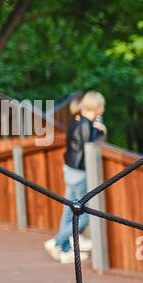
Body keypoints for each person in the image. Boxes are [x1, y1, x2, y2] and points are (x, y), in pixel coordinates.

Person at [45, 90, 106, 263]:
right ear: (97, 107)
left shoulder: (76, 120)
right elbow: (92, 146)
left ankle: (65, 250)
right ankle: (58, 241)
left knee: (68, 211)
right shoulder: (87, 125)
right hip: (80, 174)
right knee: (84, 214)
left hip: (69, 170)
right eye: (102, 106)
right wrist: (100, 131)